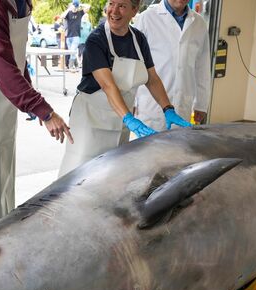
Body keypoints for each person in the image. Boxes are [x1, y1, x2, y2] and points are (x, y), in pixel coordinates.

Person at [0, 0, 72, 235]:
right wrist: (43, 110)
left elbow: (16, 55)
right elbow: (2, 64)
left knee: (2, 171)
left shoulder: (23, 3)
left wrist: (27, 95)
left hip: (2, 98)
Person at [58, 0, 192, 177]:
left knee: (112, 175)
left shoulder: (138, 39)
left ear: (134, 11)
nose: (114, 11)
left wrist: (168, 109)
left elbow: (152, 78)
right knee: (80, 174)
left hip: (120, 120)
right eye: (111, 3)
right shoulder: (96, 40)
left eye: (122, 6)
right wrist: (130, 119)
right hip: (92, 121)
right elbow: (108, 85)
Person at [134, 0, 211, 130]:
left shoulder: (199, 24)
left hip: (182, 106)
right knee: (148, 148)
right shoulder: (146, 18)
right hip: (151, 106)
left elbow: (202, 67)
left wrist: (201, 104)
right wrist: (132, 101)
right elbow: (134, 62)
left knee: (179, 149)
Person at [63, 0, 86, 69]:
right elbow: (62, 16)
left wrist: (80, 5)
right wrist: (69, 9)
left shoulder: (80, 13)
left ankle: (70, 66)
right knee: (71, 53)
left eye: (76, 6)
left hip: (76, 36)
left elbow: (88, 7)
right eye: (74, 6)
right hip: (68, 36)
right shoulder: (68, 13)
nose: (75, 8)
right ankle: (76, 65)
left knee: (72, 51)